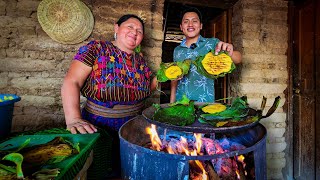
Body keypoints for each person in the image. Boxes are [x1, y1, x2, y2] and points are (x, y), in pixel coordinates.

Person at [61, 14, 157, 178]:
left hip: (132, 127)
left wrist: (166, 76)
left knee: (126, 170)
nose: (135, 32)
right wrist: (73, 119)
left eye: (139, 31)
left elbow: (147, 89)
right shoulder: (96, 49)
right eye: (130, 27)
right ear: (116, 28)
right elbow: (72, 82)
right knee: (98, 171)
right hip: (98, 124)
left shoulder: (140, 61)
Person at [170, 7, 242, 103]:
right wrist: (171, 103)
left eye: (194, 21)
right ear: (181, 27)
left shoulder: (212, 43)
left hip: (205, 103)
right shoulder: (177, 50)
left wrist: (229, 51)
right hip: (181, 103)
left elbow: (238, 59)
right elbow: (174, 80)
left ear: (200, 26)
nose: (190, 24)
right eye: (186, 21)